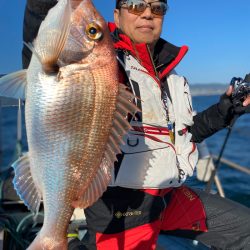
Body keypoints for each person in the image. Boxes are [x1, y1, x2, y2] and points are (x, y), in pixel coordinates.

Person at [22, 0, 250, 249]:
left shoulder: (171, 75)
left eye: (157, 8)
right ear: (117, 16)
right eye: (136, 5)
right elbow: (44, 36)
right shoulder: (104, 62)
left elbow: (184, 134)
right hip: (121, 208)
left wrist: (225, 110)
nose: (148, 14)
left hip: (170, 196)